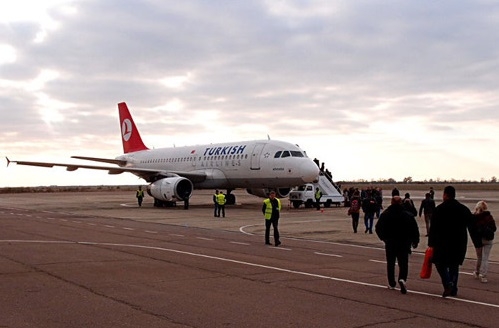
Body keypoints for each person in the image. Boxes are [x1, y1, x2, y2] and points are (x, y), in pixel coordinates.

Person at [428, 186, 473, 297]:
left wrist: (431, 244)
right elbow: (472, 225)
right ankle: (453, 288)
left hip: (442, 243)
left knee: (440, 265)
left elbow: (433, 229)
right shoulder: (463, 209)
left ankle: (448, 284)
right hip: (459, 243)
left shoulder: (439, 209)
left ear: (446, 195)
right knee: (454, 266)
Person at [375, 196, 419, 294]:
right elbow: (414, 229)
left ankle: (391, 283)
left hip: (390, 243)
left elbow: (378, 228)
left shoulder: (386, 214)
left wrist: (384, 238)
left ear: (391, 202)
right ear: (401, 203)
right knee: (403, 263)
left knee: (390, 263)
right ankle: (402, 278)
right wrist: (415, 241)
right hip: (404, 243)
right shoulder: (408, 215)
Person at [469, 201, 496, 283]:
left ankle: (477, 272)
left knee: (479, 258)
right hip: (488, 239)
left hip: (478, 240)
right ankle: (483, 275)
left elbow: (472, 232)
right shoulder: (489, 216)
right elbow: (494, 228)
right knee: (485, 258)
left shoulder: (474, 218)